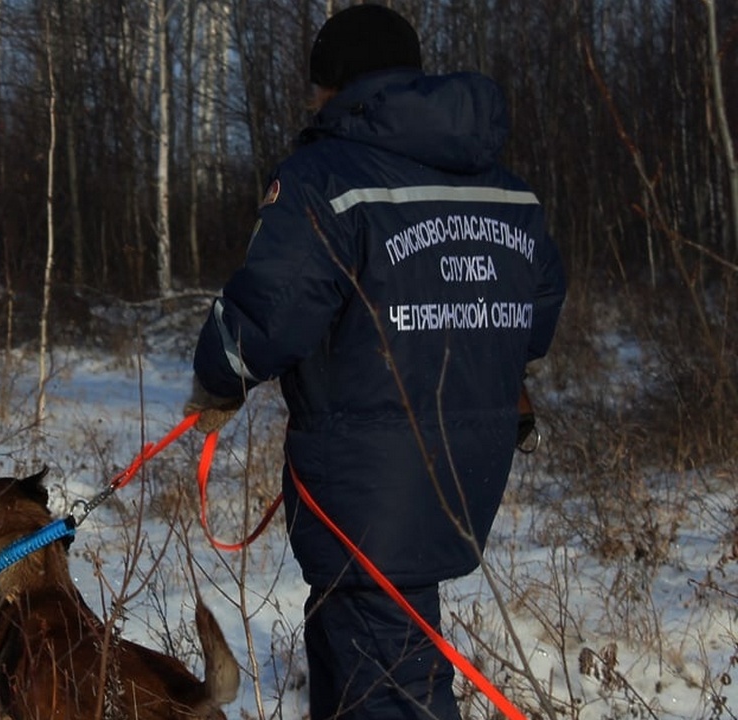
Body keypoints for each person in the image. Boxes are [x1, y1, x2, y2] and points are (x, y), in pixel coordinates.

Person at [183, 4, 566, 719]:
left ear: (332, 86)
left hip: (362, 481)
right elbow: (532, 322)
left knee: (387, 680)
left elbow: (273, 310)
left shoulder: (326, 176)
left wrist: (218, 374)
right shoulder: (510, 191)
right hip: (462, 467)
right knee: (359, 651)